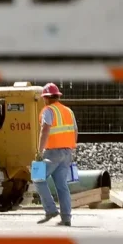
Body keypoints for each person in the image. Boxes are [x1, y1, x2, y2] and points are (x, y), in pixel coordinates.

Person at [34, 83, 78, 227]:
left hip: (52, 152)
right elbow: (75, 131)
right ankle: (66, 218)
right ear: (57, 96)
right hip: (67, 152)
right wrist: (72, 148)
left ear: (46, 98)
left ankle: (51, 210)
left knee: (37, 177)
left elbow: (45, 130)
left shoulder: (48, 110)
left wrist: (39, 151)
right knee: (62, 186)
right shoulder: (68, 111)